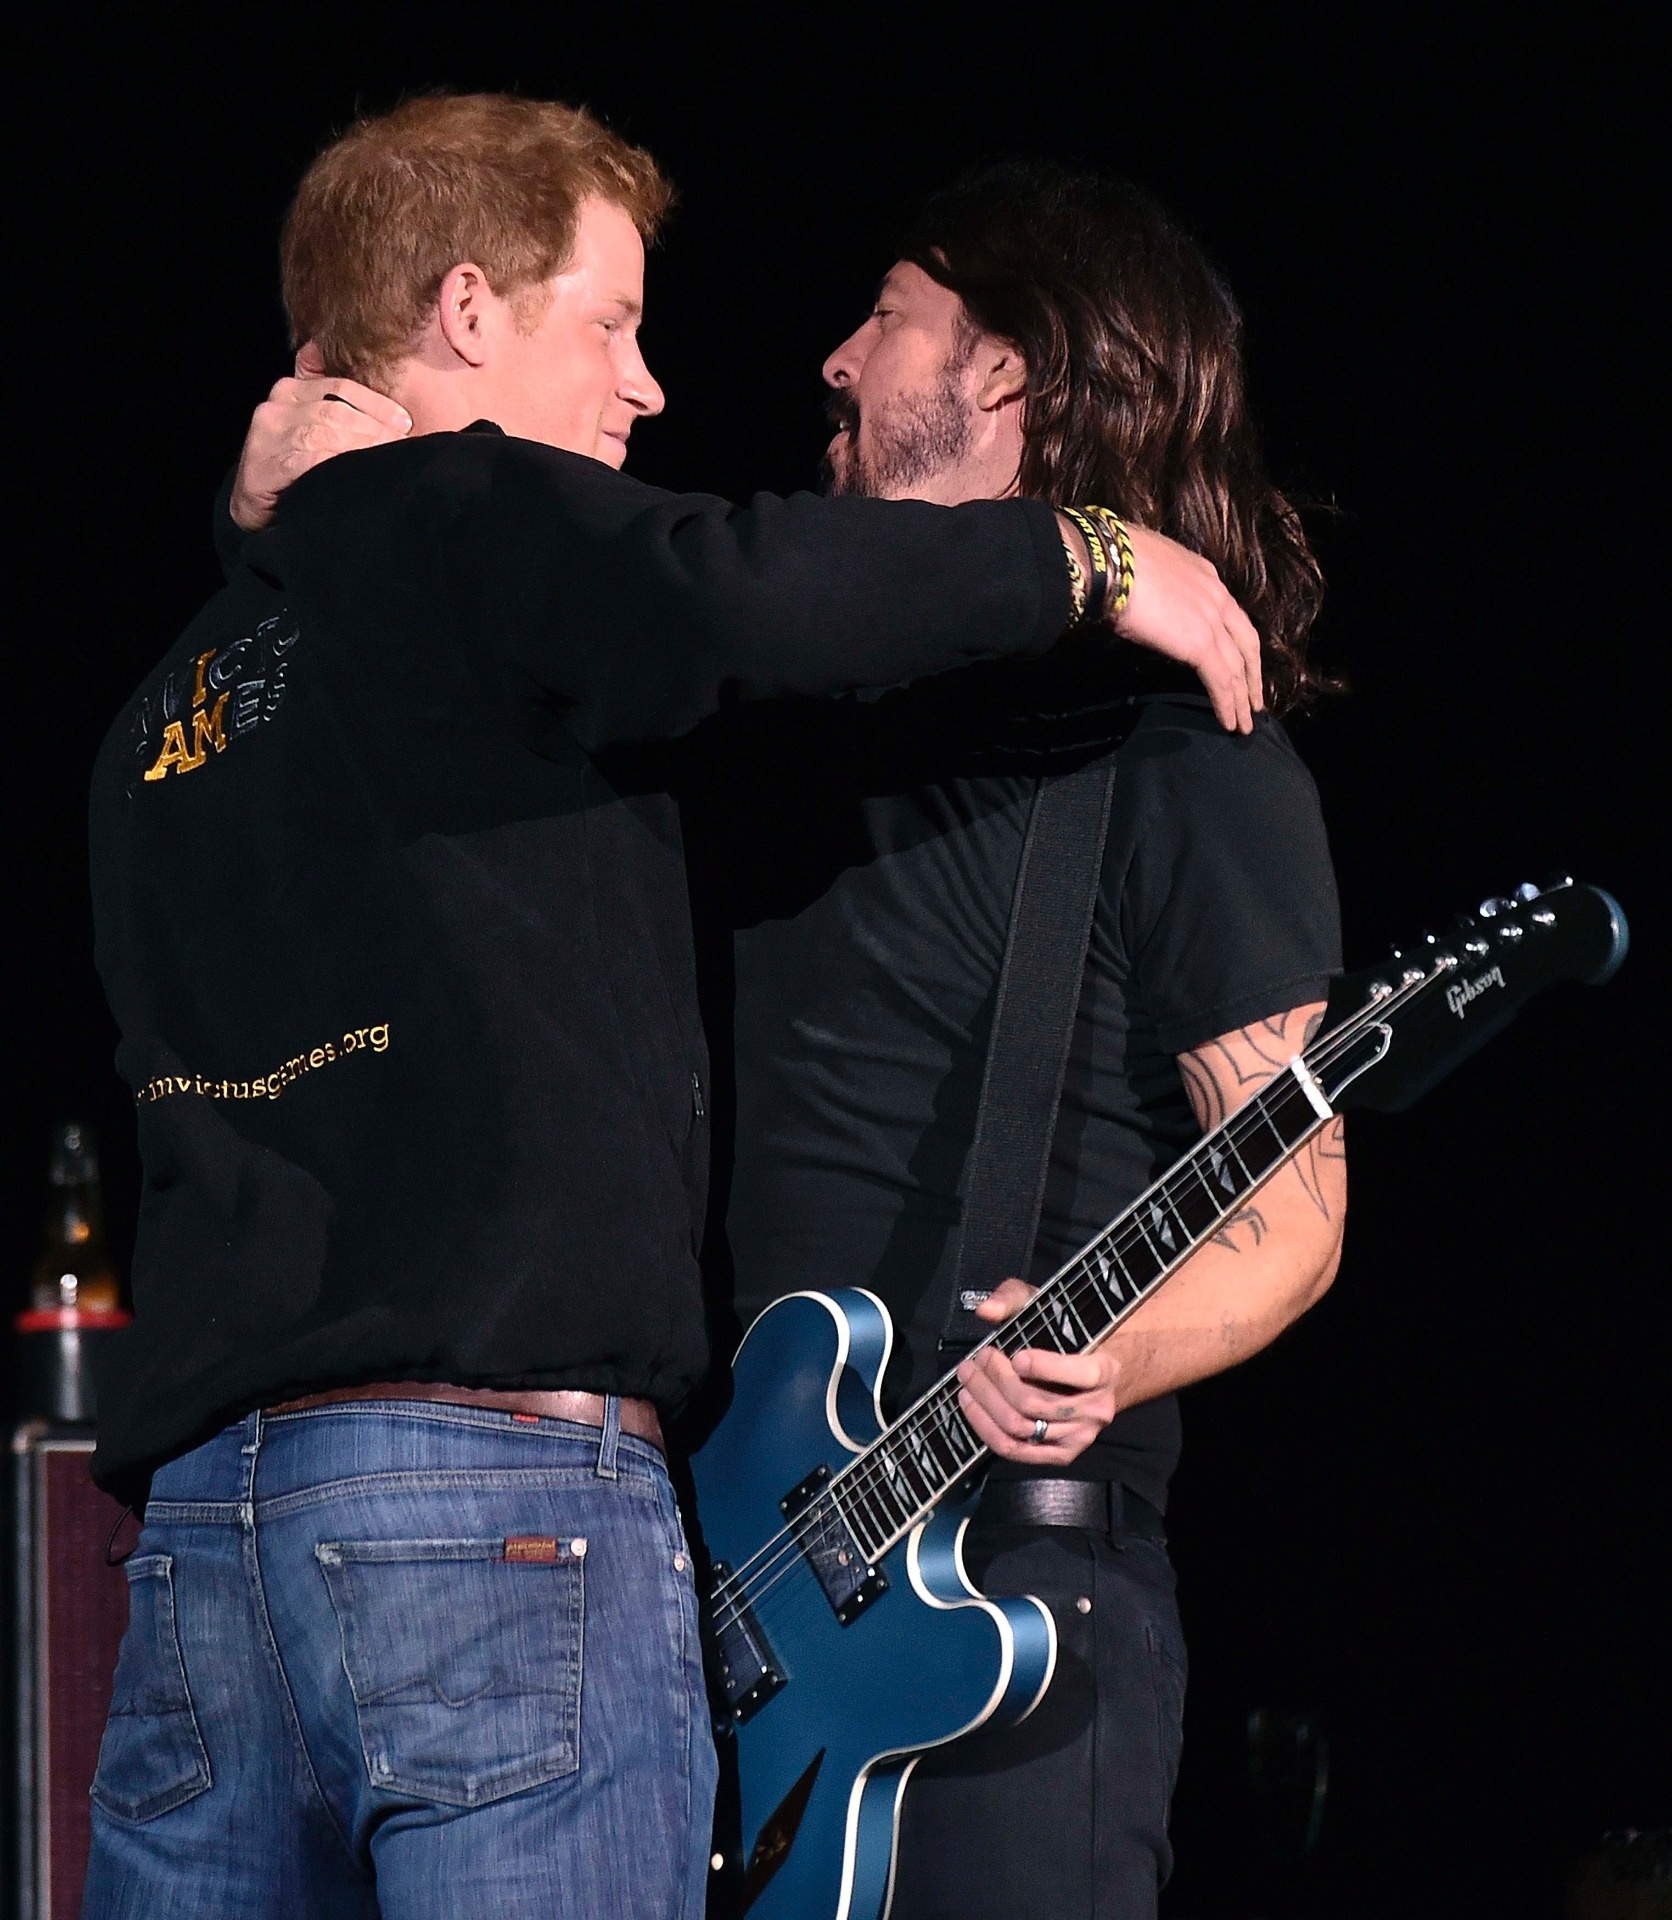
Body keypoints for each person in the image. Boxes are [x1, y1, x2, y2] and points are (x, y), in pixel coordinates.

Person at [84, 98, 1258, 1920]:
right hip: (488, 1524)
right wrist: (1092, 559)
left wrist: (277, 514)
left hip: (202, 1569)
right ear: (468, 312)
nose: (644, 392)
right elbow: (731, 589)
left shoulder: (174, 698)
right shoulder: (473, 517)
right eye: (609, 322)